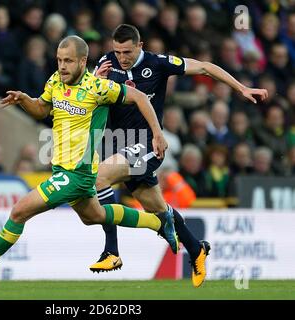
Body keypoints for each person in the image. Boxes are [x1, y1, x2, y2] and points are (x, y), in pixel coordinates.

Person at [0, 35, 179, 278]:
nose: (62, 66)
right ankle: (160, 222)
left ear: (82, 61)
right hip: (61, 169)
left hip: (78, 173)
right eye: (59, 60)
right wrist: (26, 101)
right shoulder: (56, 81)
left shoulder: (98, 88)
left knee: (19, 211)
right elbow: (41, 109)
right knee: (95, 216)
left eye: (68, 61)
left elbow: (140, 97)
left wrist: (156, 133)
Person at [90, 24, 268, 287]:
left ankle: (112, 251)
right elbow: (92, 95)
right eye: (117, 51)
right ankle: (197, 249)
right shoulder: (107, 62)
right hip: (121, 146)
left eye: (127, 51)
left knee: (100, 177)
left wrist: (240, 88)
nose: (121, 57)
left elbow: (206, 66)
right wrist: (96, 79)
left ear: (140, 46)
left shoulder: (158, 63)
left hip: (149, 144)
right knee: (157, 209)